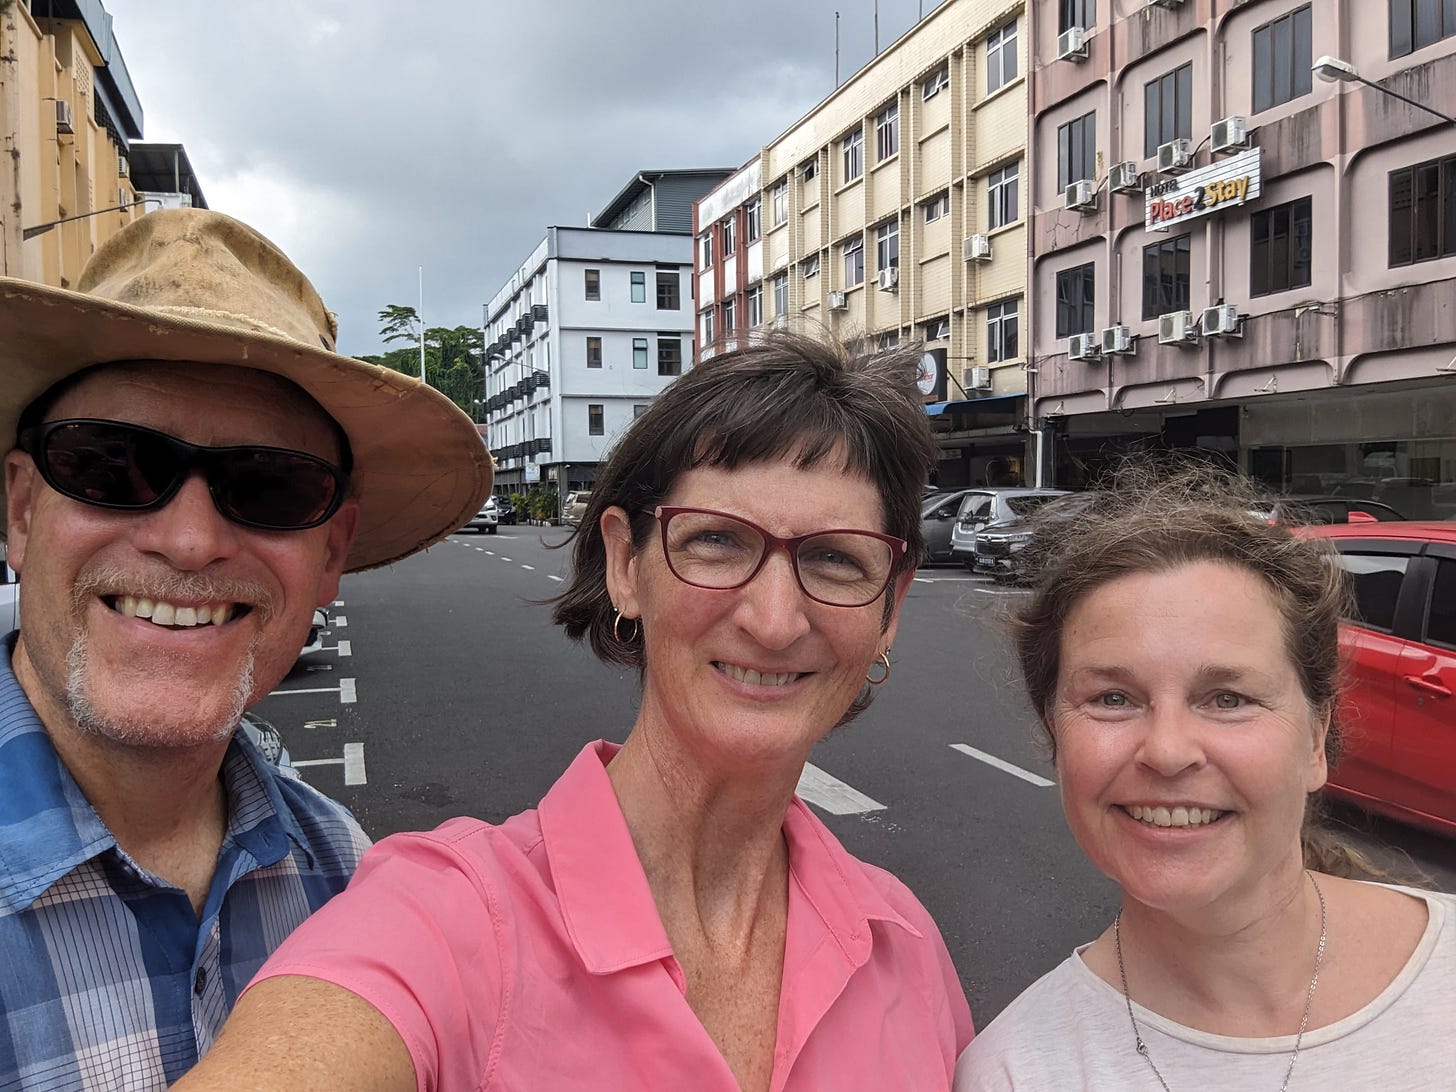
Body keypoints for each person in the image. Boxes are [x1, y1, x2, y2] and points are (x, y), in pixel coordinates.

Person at [176, 332, 974, 1091]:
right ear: (627, 564)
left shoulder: (902, 943)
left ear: (890, 606)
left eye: (834, 559)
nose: (773, 619)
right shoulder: (448, 921)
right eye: (718, 542)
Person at [0, 208, 492, 1089]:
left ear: (331, 554)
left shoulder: (339, 866)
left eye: (267, 485)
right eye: (112, 466)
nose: (189, 541)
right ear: (21, 511)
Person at [954, 468, 1456, 1090]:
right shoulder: (1013, 1072)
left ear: (1315, 738)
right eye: (1113, 698)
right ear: (1056, 735)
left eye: (1226, 698)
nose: (1166, 751)